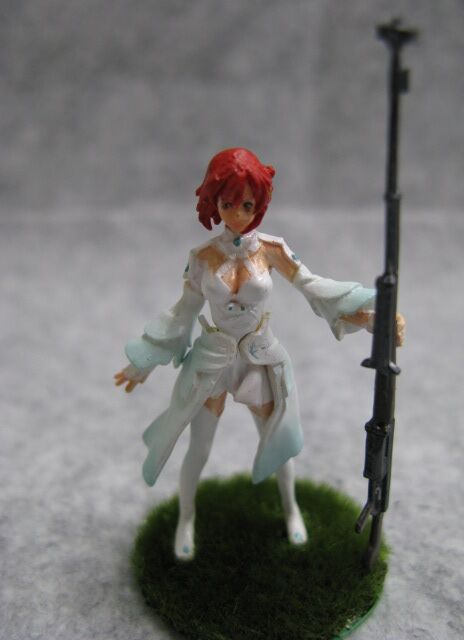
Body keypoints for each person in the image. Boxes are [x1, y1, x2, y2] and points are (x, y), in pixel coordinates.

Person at [115, 148, 404, 561]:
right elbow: (182, 314)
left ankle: (291, 510)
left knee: (276, 440)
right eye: (227, 204)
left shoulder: (271, 249)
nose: (237, 214)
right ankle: (186, 518)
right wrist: (143, 361)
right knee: (199, 448)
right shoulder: (201, 258)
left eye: (247, 205)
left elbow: (315, 289)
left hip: (259, 359)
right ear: (213, 202)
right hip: (212, 360)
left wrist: (371, 319)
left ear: (260, 205)